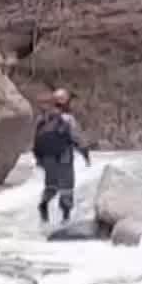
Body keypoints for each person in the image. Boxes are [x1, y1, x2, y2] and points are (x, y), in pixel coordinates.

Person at [34, 87, 92, 224]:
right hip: (64, 158)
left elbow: (37, 140)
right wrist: (85, 154)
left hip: (47, 158)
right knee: (67, 188)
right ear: (65, 102)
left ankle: (43, 203)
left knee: (51, 186)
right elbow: (77, 138)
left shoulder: (43, 118)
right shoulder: (68, 119)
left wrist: (39, 159)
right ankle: (65, 219)